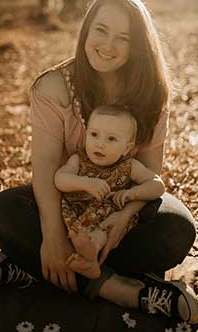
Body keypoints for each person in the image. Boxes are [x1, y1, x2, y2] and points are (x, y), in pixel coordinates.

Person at [0, 0, 198, 324]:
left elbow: (152, 173)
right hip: (67, 203)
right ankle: (118, 287)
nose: (107, 46)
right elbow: (44, 171)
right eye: (100, 30)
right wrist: (53, 238)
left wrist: (121, 221)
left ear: (138, 46)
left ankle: (28, 264)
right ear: (86, 30)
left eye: (123, 38)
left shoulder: (151, 94)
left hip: (119, 208)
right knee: (1, 211)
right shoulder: (53, 88)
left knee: (177, 229)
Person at [55, 104, 165, 280]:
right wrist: (84, 183)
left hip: (107, 220)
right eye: (94, 134)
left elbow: (158, 186)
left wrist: (133, 193)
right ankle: (81, 255)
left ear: (127, 148)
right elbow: (60, 179)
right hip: (74, 217)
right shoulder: (78, 160)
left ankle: (90, 257)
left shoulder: (129, 166)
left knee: (102, 231)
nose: (100, 143)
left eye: (111, 139)